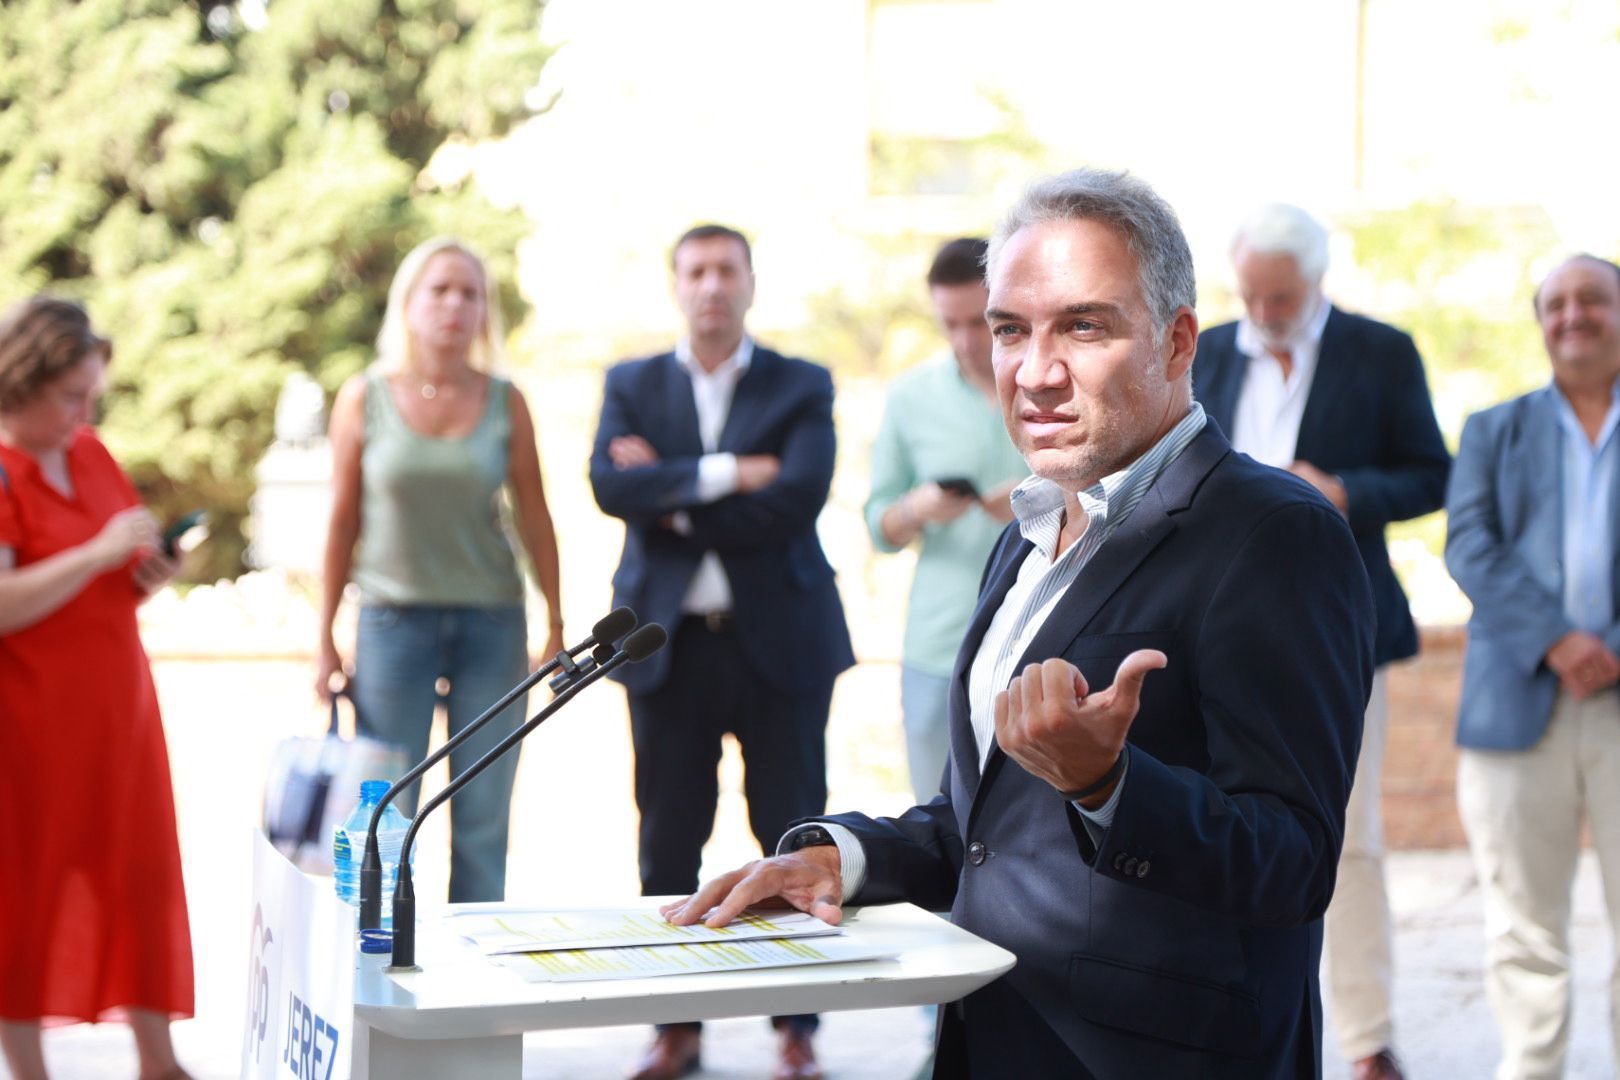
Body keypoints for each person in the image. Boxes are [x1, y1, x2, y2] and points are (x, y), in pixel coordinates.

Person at [664, 170, 1375, 1078]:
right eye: (1010, 330)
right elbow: (983, 823)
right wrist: (843, 857)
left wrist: (1110, 786)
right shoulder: (1028, 535)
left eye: (1083, 326)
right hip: (997, 1041)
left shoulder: (1275, 535)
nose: (1034, 373)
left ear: (1177, 339)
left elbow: (1294, 865)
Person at [590, 223, 854, 1080]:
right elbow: (608, 487)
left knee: (794, 837)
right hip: (668, 648)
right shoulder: (630, 382)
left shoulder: (801, 383)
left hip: (780, 645)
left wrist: (666, 492)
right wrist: (731, 472)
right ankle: (675, 1027)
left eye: (725, 270)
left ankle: (798, 1029)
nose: (711, 285)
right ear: (676, 285)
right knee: (667, 840)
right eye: (696, 271)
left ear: (749, 282)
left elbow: (796, 500)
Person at [1194, 204, 1450, 1080]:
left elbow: (1430, 472)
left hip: (1341, 629)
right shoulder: (1207, 346)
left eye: (1280, 296)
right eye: (1251, 294)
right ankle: (1231, 1012)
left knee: (1353, 835)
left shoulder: (1380, 351)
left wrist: (1340, 491)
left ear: (1317, 281)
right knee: (1214, 822)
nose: (1262, 311)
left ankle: (1367, 1037)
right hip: (1216, 628)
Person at [316, 237, 564, 904]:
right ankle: (374, 976)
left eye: (471, 292)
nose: (455, 304)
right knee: (383, 814)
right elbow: (341, 523)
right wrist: (324, 638)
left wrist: (556, 624)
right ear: (410, 302)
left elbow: (536, 517)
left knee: (483, 816)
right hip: (393, 624)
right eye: (440, 289)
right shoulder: (363, 397)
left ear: (486, 311)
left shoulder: (506, 400)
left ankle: (471, 993)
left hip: (493, 621)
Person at [0, 297, 193, 1080]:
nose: (84, 411)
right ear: (24, 379)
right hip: (32, 714)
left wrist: (149, 570)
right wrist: (96, 551)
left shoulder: (90, 453)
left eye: (90, 396)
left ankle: (159, 1059)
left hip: (120, 703)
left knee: (141, 873)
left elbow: (105, 580)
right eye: (70, 395)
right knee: (31, 884)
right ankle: (30, 1068)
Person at [1445, 254, 1620, 1080]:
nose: (1574, 315)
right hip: (1517, 703)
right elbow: (1470, 544)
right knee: (1524, 928)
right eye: (1557, 303)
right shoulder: (1493, 428)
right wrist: (1558, 637)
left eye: (1593, 299)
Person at [866, 237, 1028, 802]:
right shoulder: (911, 396)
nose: (964, 341)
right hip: (941, 641)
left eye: (978, 323)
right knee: (938, 809)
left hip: (1043, 635)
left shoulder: (1052, 382)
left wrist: (1044, 493)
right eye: (949, 324)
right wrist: (916, 508)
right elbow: (878, 525)